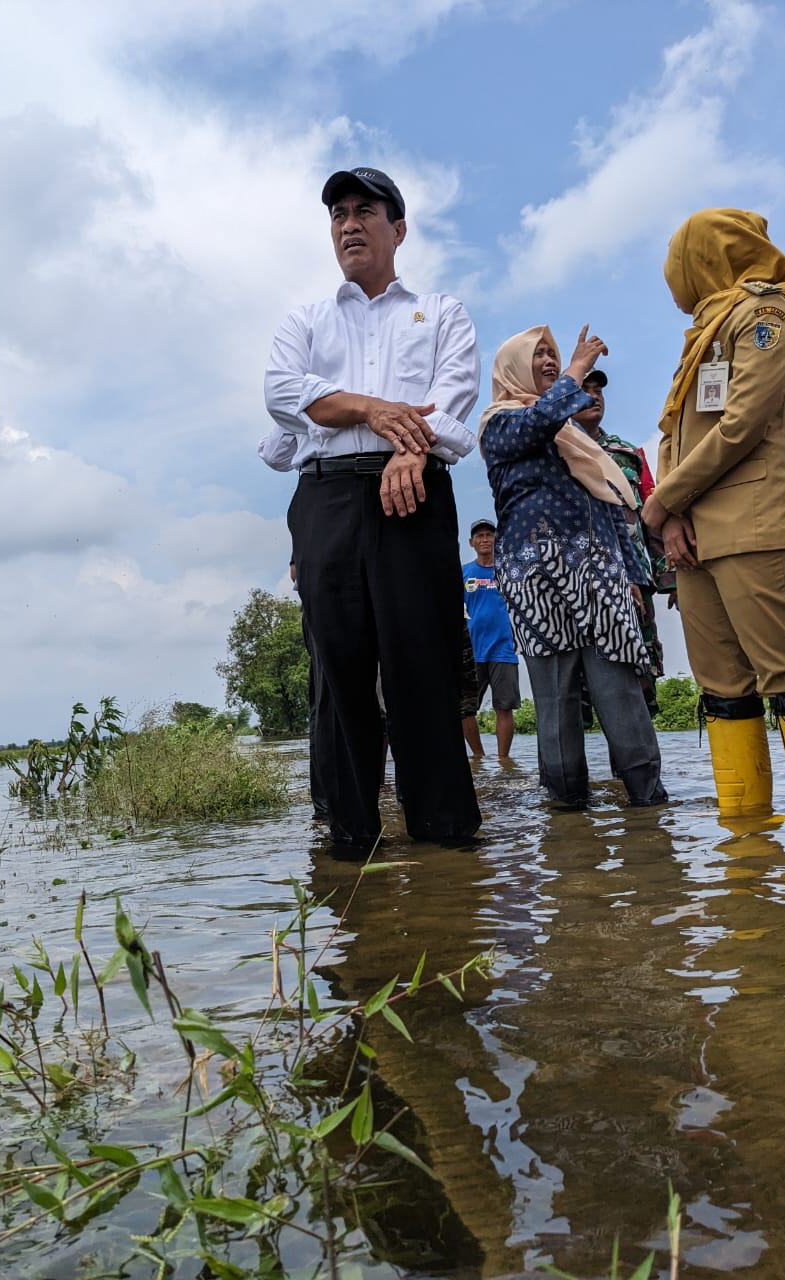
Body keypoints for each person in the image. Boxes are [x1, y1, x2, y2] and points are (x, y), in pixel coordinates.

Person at [264, 166, 482, 851]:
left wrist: (411, 450)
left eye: (364, 210)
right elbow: (284, 394)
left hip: (413, 495)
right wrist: (374, 409)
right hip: (327, 495)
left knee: (423, 662)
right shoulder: (306, 319)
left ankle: (446, 842)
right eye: (338, 215)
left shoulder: (441, 312)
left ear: (399, 228)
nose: (349, 223)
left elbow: (451, 400)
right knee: (340, 669)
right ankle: (349, 839)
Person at [642, 207, 785, 819]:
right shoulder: (702, 333)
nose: (673, 274)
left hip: (755, 521)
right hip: (691, 535)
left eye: (678, 259)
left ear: (706, 254)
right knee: (721, 689)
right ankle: (744, 854)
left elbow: (741, 424)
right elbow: (674, 435)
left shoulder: (768, 316)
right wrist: (670, 519)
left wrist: (664, 500)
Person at [479, 324, 667, 809]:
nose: (548, 361)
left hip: (600, 574)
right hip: (536, 578)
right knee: (556, 697)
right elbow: (535, 423)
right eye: (538, 354)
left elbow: (610, 507)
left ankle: (648, 803)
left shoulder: (581, 440)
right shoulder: (498, 425)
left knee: (619, 687)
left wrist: (631, 578)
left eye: (553, 354)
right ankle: (567, 812)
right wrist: (576, 369)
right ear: (512, 367)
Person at [571, 369, 673, 714]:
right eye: (584, 389)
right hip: (576, 586)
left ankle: (639, 769)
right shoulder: (553, 453)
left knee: (640, 683)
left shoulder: (628, 454)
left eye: (598, 389)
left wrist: (670, 577)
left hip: (635, 586)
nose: (594, 395)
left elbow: (653, 520)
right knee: (578, 694)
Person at [462, 518, 521, 758]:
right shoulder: (464, 572)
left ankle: (503, 762)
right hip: (472, 649)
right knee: (466, 710)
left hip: (504, 649)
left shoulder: (509, 569)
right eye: (480, 536)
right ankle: (478, 757)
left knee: (504, 707)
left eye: (489, 535)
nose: (485, 539)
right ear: (471, 542)